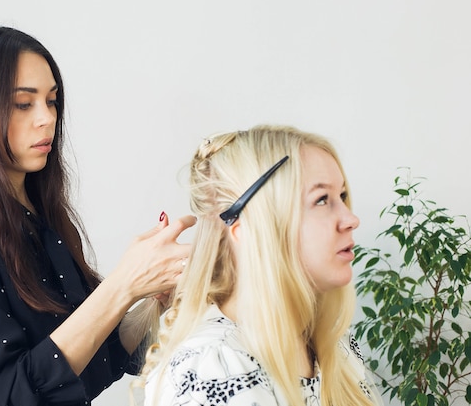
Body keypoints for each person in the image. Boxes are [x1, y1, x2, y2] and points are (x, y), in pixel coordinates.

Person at [0, 24, 195, 406]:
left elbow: (91, 361)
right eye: (24, 104)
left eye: (52, 100)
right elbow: (8, 395)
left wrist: (154, 297)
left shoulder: (40, 220)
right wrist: (123, 283)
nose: (47, 118)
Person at [138, 125, 383, 406]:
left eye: (341, 196)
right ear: (249, 231)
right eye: (322, 200)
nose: (351, 219)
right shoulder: (211, 370)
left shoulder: (333, 346)